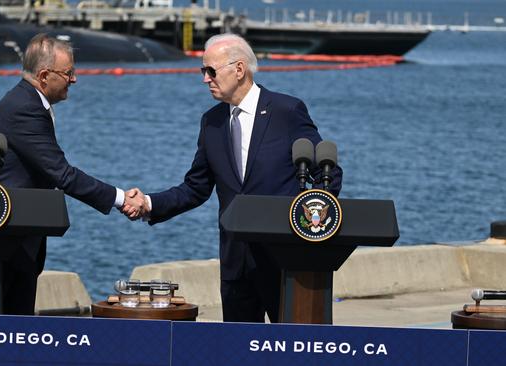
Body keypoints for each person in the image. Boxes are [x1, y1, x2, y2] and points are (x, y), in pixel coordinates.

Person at [123, 33, 343, 323]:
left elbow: (328, 176)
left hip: (286, 262)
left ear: (239, 70)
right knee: (236, 352)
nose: (205, 79)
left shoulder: (286, 111)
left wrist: (308, 227)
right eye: (203, 71)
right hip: (236, 264)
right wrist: (149, 204)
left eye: (211, 71)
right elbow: (195, 187)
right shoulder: (211, 122)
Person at [0, 33, 145, 315]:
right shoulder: (25, 108)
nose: (74, 79)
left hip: (18, 237)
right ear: (45, 75)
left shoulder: (28, 101)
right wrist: (121, 199)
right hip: (7, 241)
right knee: (7, 326)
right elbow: (63, 175)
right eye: (68, 72)